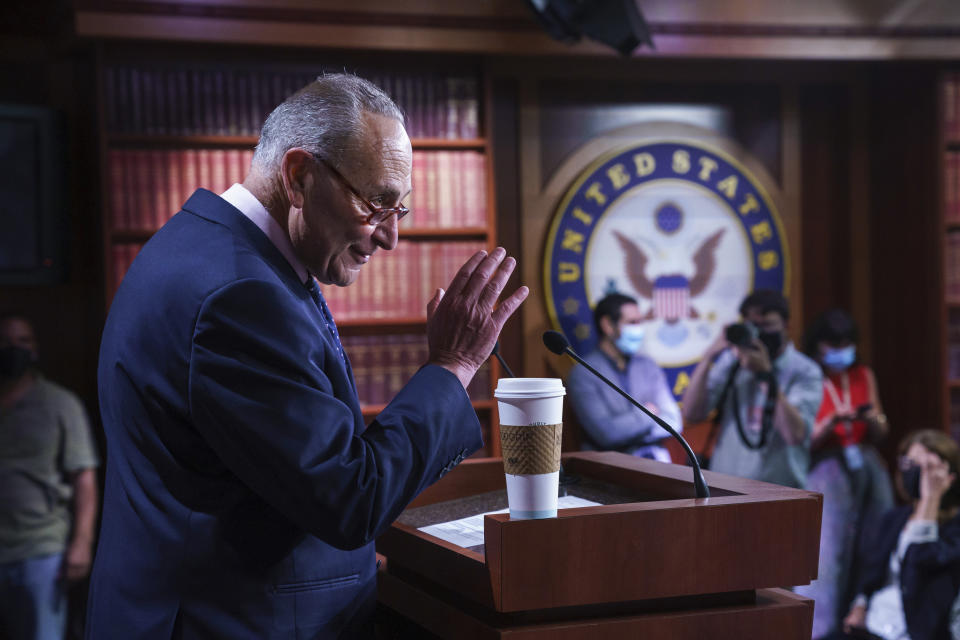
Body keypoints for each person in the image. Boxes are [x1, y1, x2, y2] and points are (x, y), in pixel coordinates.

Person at [85, 74, 528, 639]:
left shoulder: (206, 246)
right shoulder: (239, 295)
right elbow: (349, 497)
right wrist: (453, 366)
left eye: (402, 210)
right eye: (376, 205)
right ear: (298, 176)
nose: (390, 237)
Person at [794, 309, 895, 639]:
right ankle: (817, 630)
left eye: (847, 343)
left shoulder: (862, 374)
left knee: (877, 540)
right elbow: (801, 439)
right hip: (826, 463)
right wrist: (832, 424)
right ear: (817, 345)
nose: (841, 350)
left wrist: (873, 420)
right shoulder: (807, 376)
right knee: (827, 553)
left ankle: (869, 617)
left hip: (866, 460)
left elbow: (881, 427)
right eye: (833, 344)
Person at [0, 313, 99, 640]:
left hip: (40, 549)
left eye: (22, 341)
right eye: (4, 341)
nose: (12, 349)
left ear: (35, 349)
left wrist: (82, 543)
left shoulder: (59, 404)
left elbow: (83, 477)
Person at [681, 289, 822, 489]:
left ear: (787, 326)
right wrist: (709, 357)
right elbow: (692, 413)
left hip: (780, 490)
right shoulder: (733, 361)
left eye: (766, 325)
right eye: (753, 326)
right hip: (726, 486)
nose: (759, 334)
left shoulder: (805, 371)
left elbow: (794, 434)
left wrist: (764, 375)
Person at [839, 429, 960, 640]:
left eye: (927, 467)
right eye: (909, 464)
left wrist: (930, 498)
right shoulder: (895, 518)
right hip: (872, 626)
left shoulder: (955, 528)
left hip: (913, 632)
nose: (917, 473)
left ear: (950, 477)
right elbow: (871, 575)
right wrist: (859, 605)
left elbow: (921, 558)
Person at [566, 293, 682, 463]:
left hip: (658, 464)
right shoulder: (583, 373)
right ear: (607, 325)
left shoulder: (648, 366)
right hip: (610, 470)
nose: (639, 329)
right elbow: (606, 433)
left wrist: (628, 427)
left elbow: (673, 422)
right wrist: (648, 414)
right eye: (632, 323)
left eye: (640, 322)